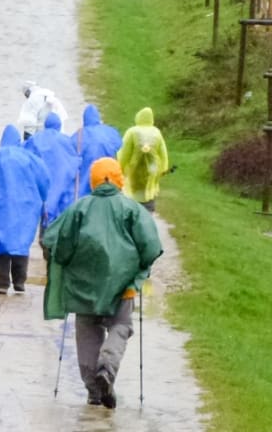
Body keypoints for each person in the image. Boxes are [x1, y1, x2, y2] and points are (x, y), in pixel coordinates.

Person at [42, 157, 163, 409]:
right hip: (123, 286)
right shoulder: (132, 210)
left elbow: (58, 244)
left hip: (83, 287)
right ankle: (107, 368)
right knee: (120, 326)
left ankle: (94, 391)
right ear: (119, 178)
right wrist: (137, 268)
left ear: (93, 180)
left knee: (87, 331)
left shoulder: (79, 208)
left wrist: (65, 263)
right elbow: (151, 247)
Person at [0, 124, 51, 294]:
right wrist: (43, 198)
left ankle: (2, 280)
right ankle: (19, 281)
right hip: (25, 208)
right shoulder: (28, 157)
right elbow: (44, 179)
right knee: (21, 243)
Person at [24, 112, 80, 228]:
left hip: (43, 181)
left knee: (45, 206)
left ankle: (45, 229)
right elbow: (75, 159)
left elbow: (26, 155)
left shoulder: (36, 139)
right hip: (62, 179)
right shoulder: (66, 140)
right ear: (59, 125)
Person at [117, 107, 170, 213]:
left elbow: (124, 153)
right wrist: (163, 169)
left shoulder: (132, 132)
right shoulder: (157, 133)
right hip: (151, 171)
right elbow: (163, 153)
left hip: (133, 173)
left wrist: (120, 168)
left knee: (131, 199)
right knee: (148, 197)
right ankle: (147, 219)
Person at [72, 104, 123, 198]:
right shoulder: (110, 132)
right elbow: (119, 145)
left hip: (85, 186)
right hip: (108, 180)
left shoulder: (78, 136)